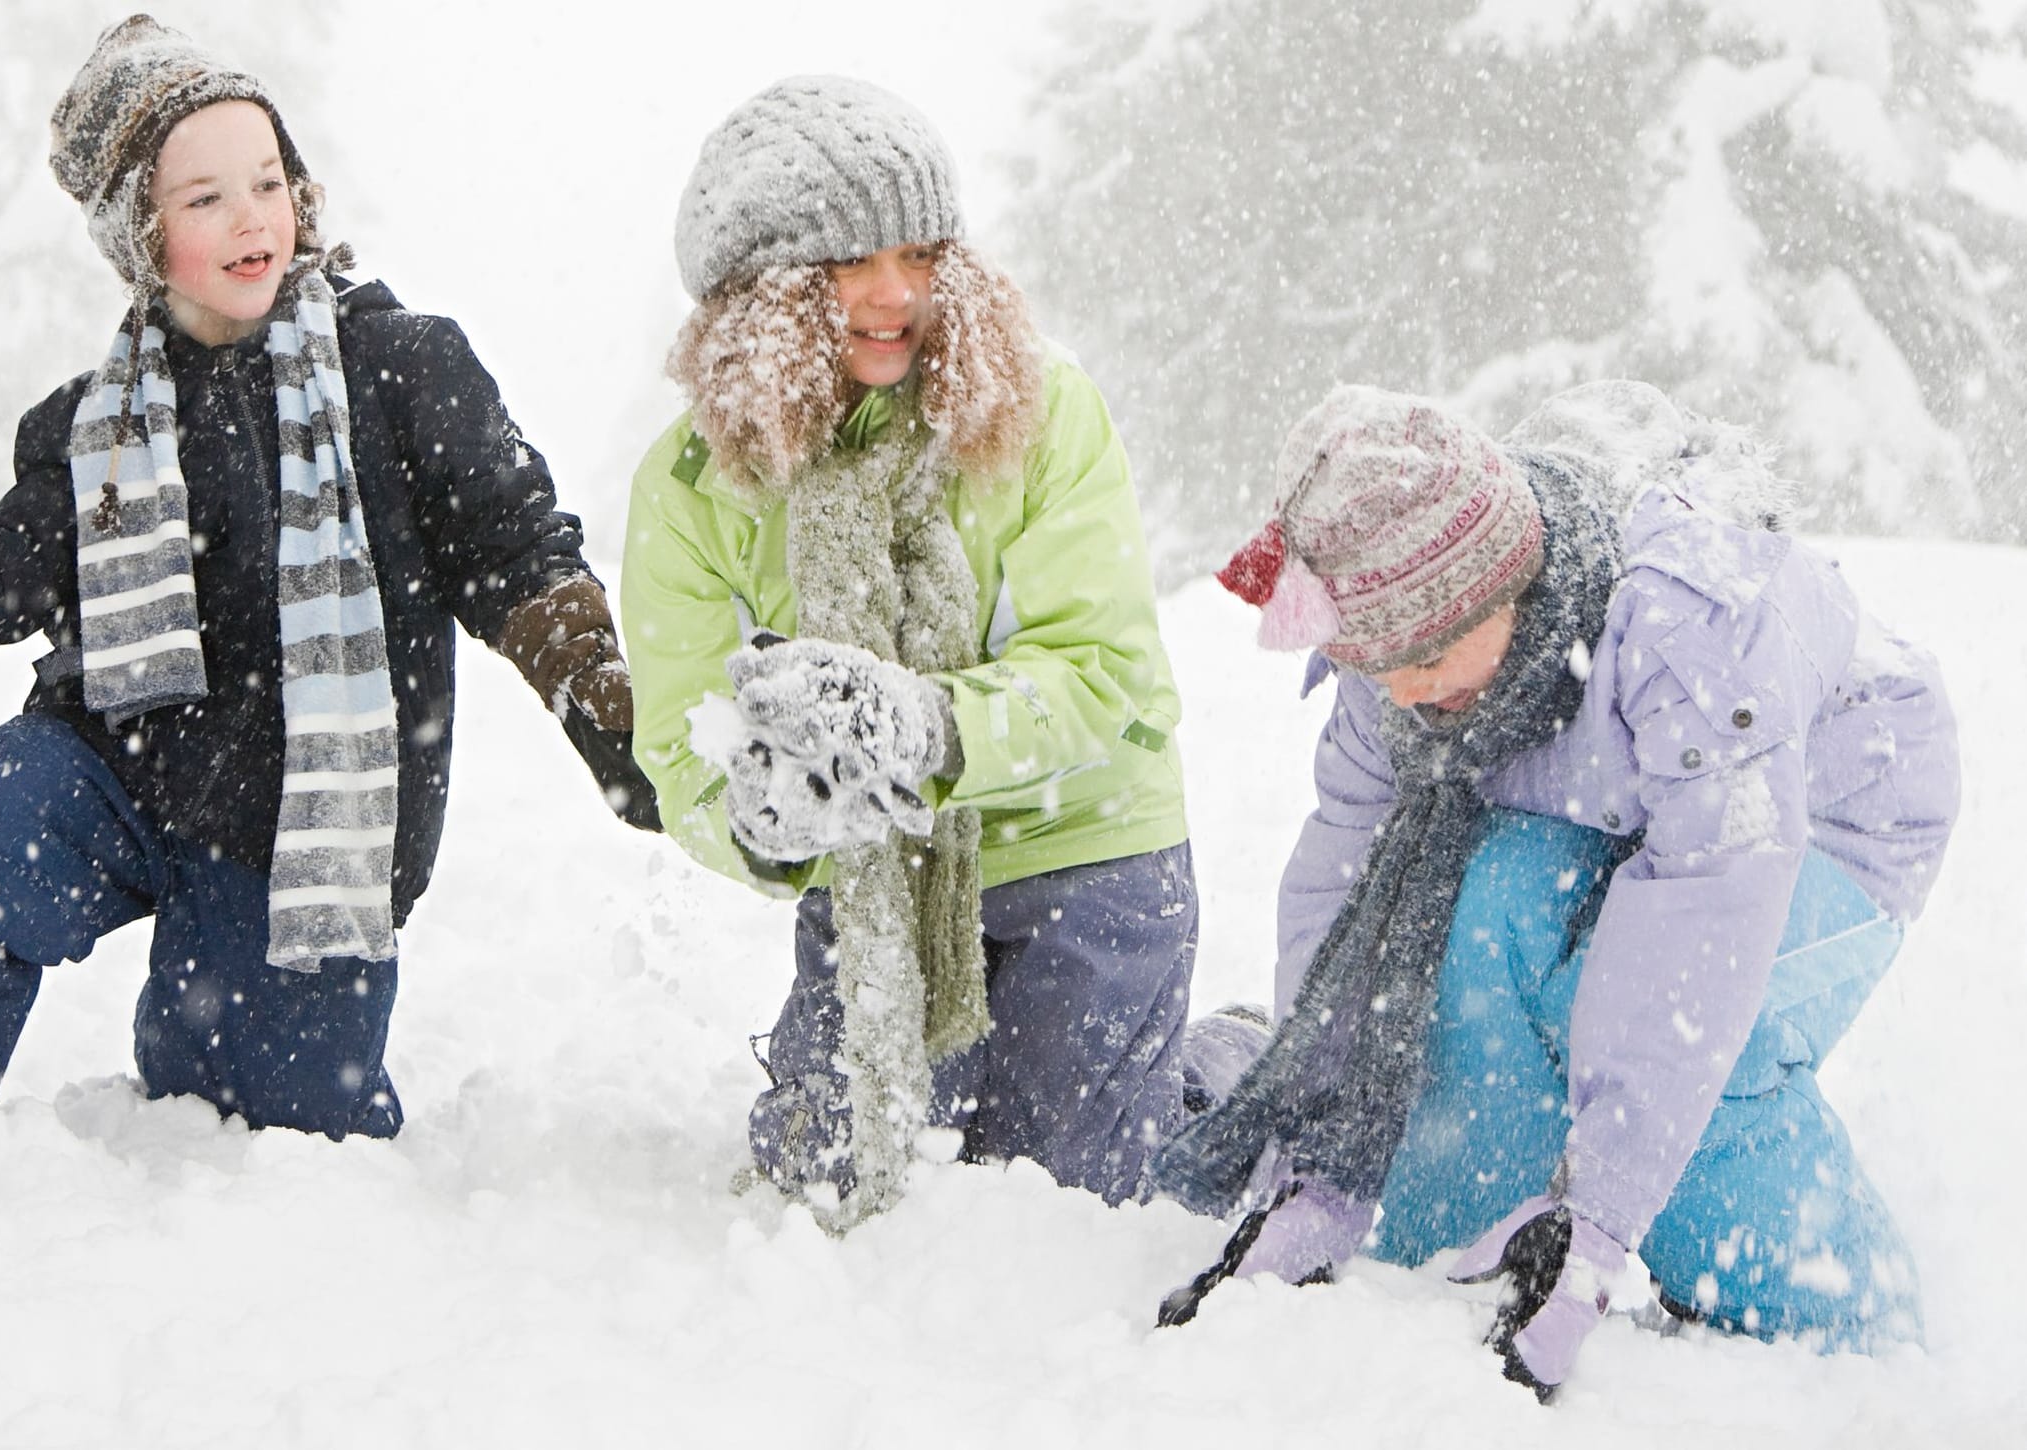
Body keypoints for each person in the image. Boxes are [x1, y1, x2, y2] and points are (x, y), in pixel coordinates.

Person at [0, 15, 655, 1183]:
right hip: (114, 767)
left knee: (261, 1139)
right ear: (141, 232)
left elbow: (518, 553)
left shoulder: (405, 370)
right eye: (203, 198)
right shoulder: (99, 426)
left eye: (267, 181)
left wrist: (603, 704)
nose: (250, 218)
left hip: (301, 841)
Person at [1152, 382, 1959, 1400]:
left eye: (1430, 657)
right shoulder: (1403, 658)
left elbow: (1704, 917)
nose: (1402, 693)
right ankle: (1454, 1256)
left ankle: (1826, 1318)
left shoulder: (1686, 632)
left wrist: (1602, 1217)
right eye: (1377, 665)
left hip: (1824, 812)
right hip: (1611, 807)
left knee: (1694, 1029)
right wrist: (1323, 1158)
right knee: (1465, 923)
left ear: (1503, 588)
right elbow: (1346, 887)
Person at [619, 76, 1268, 1230]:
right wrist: (761, 820)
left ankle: (1221, 1074)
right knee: (832, 1199)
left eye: (921, 253)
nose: (895, 295)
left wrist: (922, 730)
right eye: (849, 264)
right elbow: (680, 745)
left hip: (1089, 849)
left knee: (1068, 1212)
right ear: (756, 295)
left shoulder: (1040, 408)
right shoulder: (694, 488)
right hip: (872, 880)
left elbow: (1103, 673)